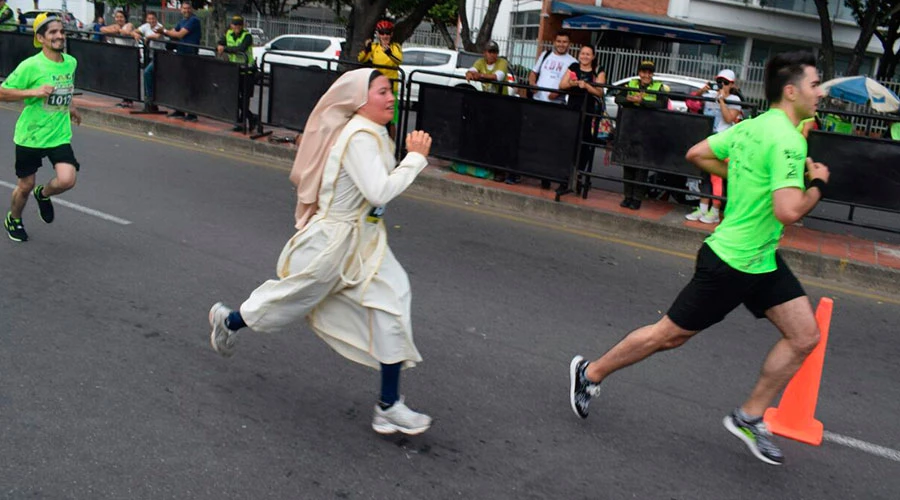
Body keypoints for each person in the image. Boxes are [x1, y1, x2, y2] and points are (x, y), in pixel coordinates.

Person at [569, 51, 829, 466]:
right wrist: (817, 184)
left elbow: (697, 153)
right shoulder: (787, 140)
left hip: (761, 260)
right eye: (816, 85)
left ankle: (748, 416)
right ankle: (591, 372)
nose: (820, 93)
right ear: (792, 90)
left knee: (804, 336)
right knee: (668, 335)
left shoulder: (754, 126)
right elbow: (789, 210)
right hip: (730, 261)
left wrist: (745, 177)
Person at [208, 69, 435, 436]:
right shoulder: (359, 137)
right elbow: (379, 192)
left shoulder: (375, 131)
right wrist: (415, 158)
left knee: (393, 301)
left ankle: (388, 406)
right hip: (333, 244)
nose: (391, 97)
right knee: (292, 299)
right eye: (382, 91)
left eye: (391, 90)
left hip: (365, 242)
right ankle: (229, 321)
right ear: (360, 100)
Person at [0, 13, 82, 242]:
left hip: (58, 134)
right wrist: (33, 92)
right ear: (41, 38)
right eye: (53, 32)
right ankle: (13, 219)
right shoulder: (31, 66)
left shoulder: (71, 62)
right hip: (31, 135)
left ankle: (43, 194)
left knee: (67, 179)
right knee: (25, 186)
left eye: (61, 32)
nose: (59, 36)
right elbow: (3, 92)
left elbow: (64, 89)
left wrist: (71, 107)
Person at [685, 69, 742, 224]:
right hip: (709, 138)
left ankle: (715, 210)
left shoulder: (735, 98)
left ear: (731, 84)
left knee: (716, 177)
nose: (721, 85)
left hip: (724, 142)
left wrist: (722, 101)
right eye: (719, 82)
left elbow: (729, 117)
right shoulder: (710, 95)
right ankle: (703, 208)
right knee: (705, 175)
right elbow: (689, 103)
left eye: (725, 82)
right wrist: (700, 92)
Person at [615, 60, 670, 210]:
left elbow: (662, 104)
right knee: (628, 164)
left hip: (648, 130)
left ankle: (637, 198)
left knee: (642, 166)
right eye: (644, 72)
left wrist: (643, 101)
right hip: (631, 128)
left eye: (649, 72)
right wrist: (629, 100)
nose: (646, 75)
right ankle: (627, 197)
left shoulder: (659, 87)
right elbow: (617, 98)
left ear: (652, 74)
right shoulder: (631, 84)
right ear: (639, 73)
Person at [465, 40, 518, 184]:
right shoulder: (480, 62)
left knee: (500, 138)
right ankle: (486, 165)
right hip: (487, 105)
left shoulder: (502, 63)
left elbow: (497, 77)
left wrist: (479, 76)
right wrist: (471, 74)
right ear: (484, 53)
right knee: (485, 134)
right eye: (490, 51)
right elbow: (471, 71)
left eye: (495, 52)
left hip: (502, 105)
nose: (492, 55)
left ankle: (499, 170)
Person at [559, 44, 606, 194]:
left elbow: (600, 92)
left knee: (585, 142)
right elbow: (562, 85)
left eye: (588, 54)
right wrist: (572, 83)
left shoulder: (598, 70)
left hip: (589, 110)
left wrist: (586, 86)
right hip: (573, 108)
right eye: (582, 53)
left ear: (593, 56)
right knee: (569, 142)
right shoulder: (573, 66)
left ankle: (579, 175)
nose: (584, 56)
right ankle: (566, 178)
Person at [358, 19, 402, 138]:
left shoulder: (395, 47)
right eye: (382, 33)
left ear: (391, 34)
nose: (385, 36)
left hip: (392, 88)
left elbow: (398, 60)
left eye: (387, 33)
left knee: (392, 120)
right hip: (376, 88)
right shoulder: (374, 47)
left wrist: (389, 53)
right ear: (378, 34)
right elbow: (361, 59)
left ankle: (392, 147)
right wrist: (367, 50)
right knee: (374, 116)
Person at [159, 1, 201, 121]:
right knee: (180, 83)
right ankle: (180, 110)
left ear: (191, 9)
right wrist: (162, 32)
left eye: (188, 8)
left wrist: (165, 31)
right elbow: (173, 32)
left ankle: (192, 113)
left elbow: (179, 34)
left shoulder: (194, 20)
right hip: (181, 54)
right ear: (180, 10)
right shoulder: (182, 21)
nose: (186, 10)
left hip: (190, 55)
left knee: (189, 84)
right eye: (184, 8)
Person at [217, 15, 258, 132]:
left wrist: (224, 49)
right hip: (235, 71)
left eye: (239, 25)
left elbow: (241, 49)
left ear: (242, 26)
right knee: (235, 98)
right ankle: (250, 118)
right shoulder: (228, 34)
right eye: (235, 24)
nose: (237, 27)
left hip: (247, 71)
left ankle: (242, 121)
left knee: (245, 98)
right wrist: (221, 45)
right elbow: (220, 42)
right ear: (231, 25)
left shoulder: (247, 36)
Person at [528, 30, 577, 104]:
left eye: (564, 42)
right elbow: (534, 73)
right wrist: (532, 84)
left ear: (569, 44)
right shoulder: (545, 54)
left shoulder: (573, 62)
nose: (561, 44)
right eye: (558, 41)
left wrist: (558, 92)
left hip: (556, 104)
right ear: (554, 42)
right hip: (536, 99)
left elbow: (572, 83)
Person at [101, 9, 137, 108]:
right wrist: (115, 29)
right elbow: (102, 29)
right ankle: (124, 99)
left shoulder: (129, 25)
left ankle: (129, 99)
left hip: (130, 54)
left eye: (121, 17)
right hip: (119, 54)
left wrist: (117, 30)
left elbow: (126, 32)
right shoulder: (115, 26)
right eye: (117, 17)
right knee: (122, 77)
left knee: (129, 77)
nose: (119, 19)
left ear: (125, 18)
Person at [132, 11, 167, 113]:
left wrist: (147, 37)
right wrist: (135, 34)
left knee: (147, 73)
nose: (151, 21)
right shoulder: (146, 26)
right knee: (149, 76)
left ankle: (150, 99)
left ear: (156, 19)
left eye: (153, 19)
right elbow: (135, 31)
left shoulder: (159, 27)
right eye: (149, 19)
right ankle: (150, 102)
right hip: (149, 56)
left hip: (159, 56)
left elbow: (156, 36)